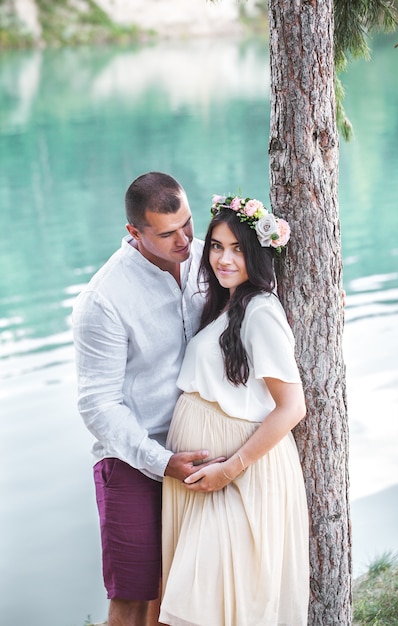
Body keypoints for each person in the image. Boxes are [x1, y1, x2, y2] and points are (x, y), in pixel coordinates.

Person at [72, 172, 219, 626]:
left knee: (184, 592)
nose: (184, 240)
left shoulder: (207, 260)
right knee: (135, 598)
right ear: (134, 232)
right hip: (133, 459)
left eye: (188, 224)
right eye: (167, 233)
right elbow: (97, 404)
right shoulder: (103, 300)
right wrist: (159, 461)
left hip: (203, 449)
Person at [159, 194, 310, 626]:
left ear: (258, 254)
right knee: (204, 602)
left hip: (240, 475)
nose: (223, 259)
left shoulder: (261, 311)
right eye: (217, 246)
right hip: (208, 474)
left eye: (238, 249)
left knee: (205, 602)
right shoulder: (225, 302)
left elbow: (291, 407)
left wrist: (231, 468)